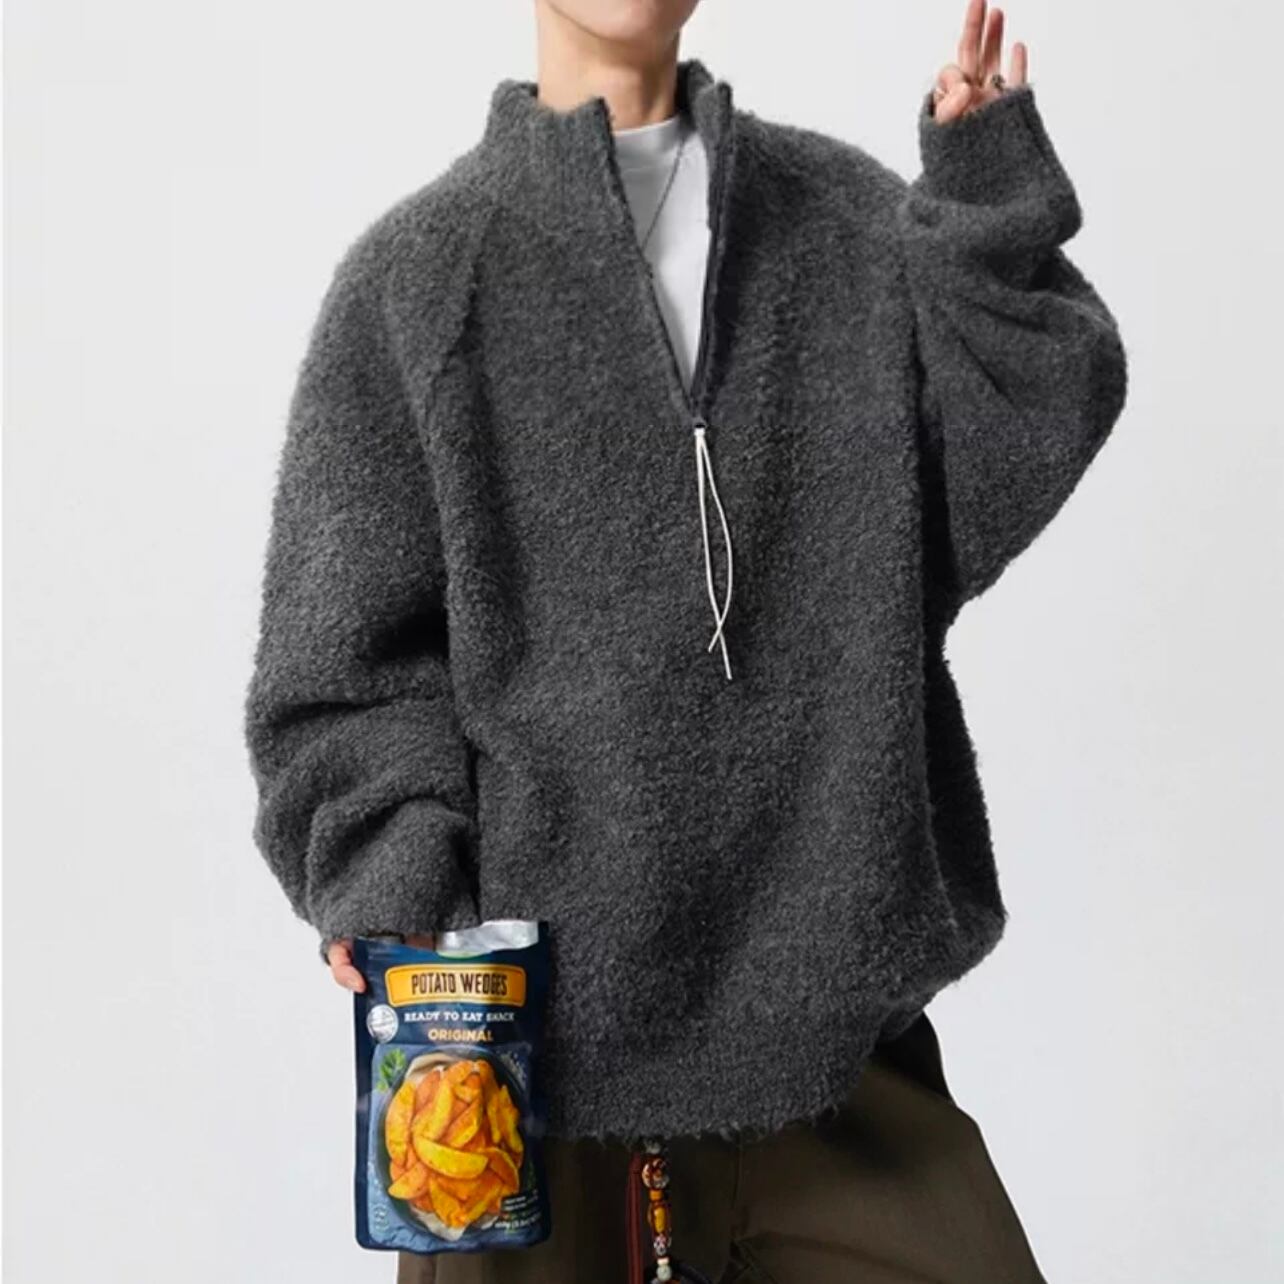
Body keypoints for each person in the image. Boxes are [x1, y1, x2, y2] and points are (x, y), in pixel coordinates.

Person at [243, 0, 1127, 1278]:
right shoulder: (418, 279)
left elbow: (999, 465)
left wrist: (984, 205)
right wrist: (392, 882)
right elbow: (342, 671)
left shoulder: (847, 223)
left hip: (833, 1038)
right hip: (517, 1064)